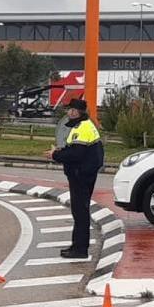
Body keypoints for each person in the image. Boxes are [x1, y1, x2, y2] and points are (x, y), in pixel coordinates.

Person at [46, 98, 105, 259]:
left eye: (71, 110)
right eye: (69, 109)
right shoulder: (84, 125)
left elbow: (76, 154)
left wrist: (55, 155)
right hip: (84, 173)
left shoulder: (82, 127)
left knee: (80, 211)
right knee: (79, 211)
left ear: (77, 112)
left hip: (81, 174)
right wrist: (61, 151)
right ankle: (77, 245)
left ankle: (80, 249)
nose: (69, 112)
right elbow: (76, 149)